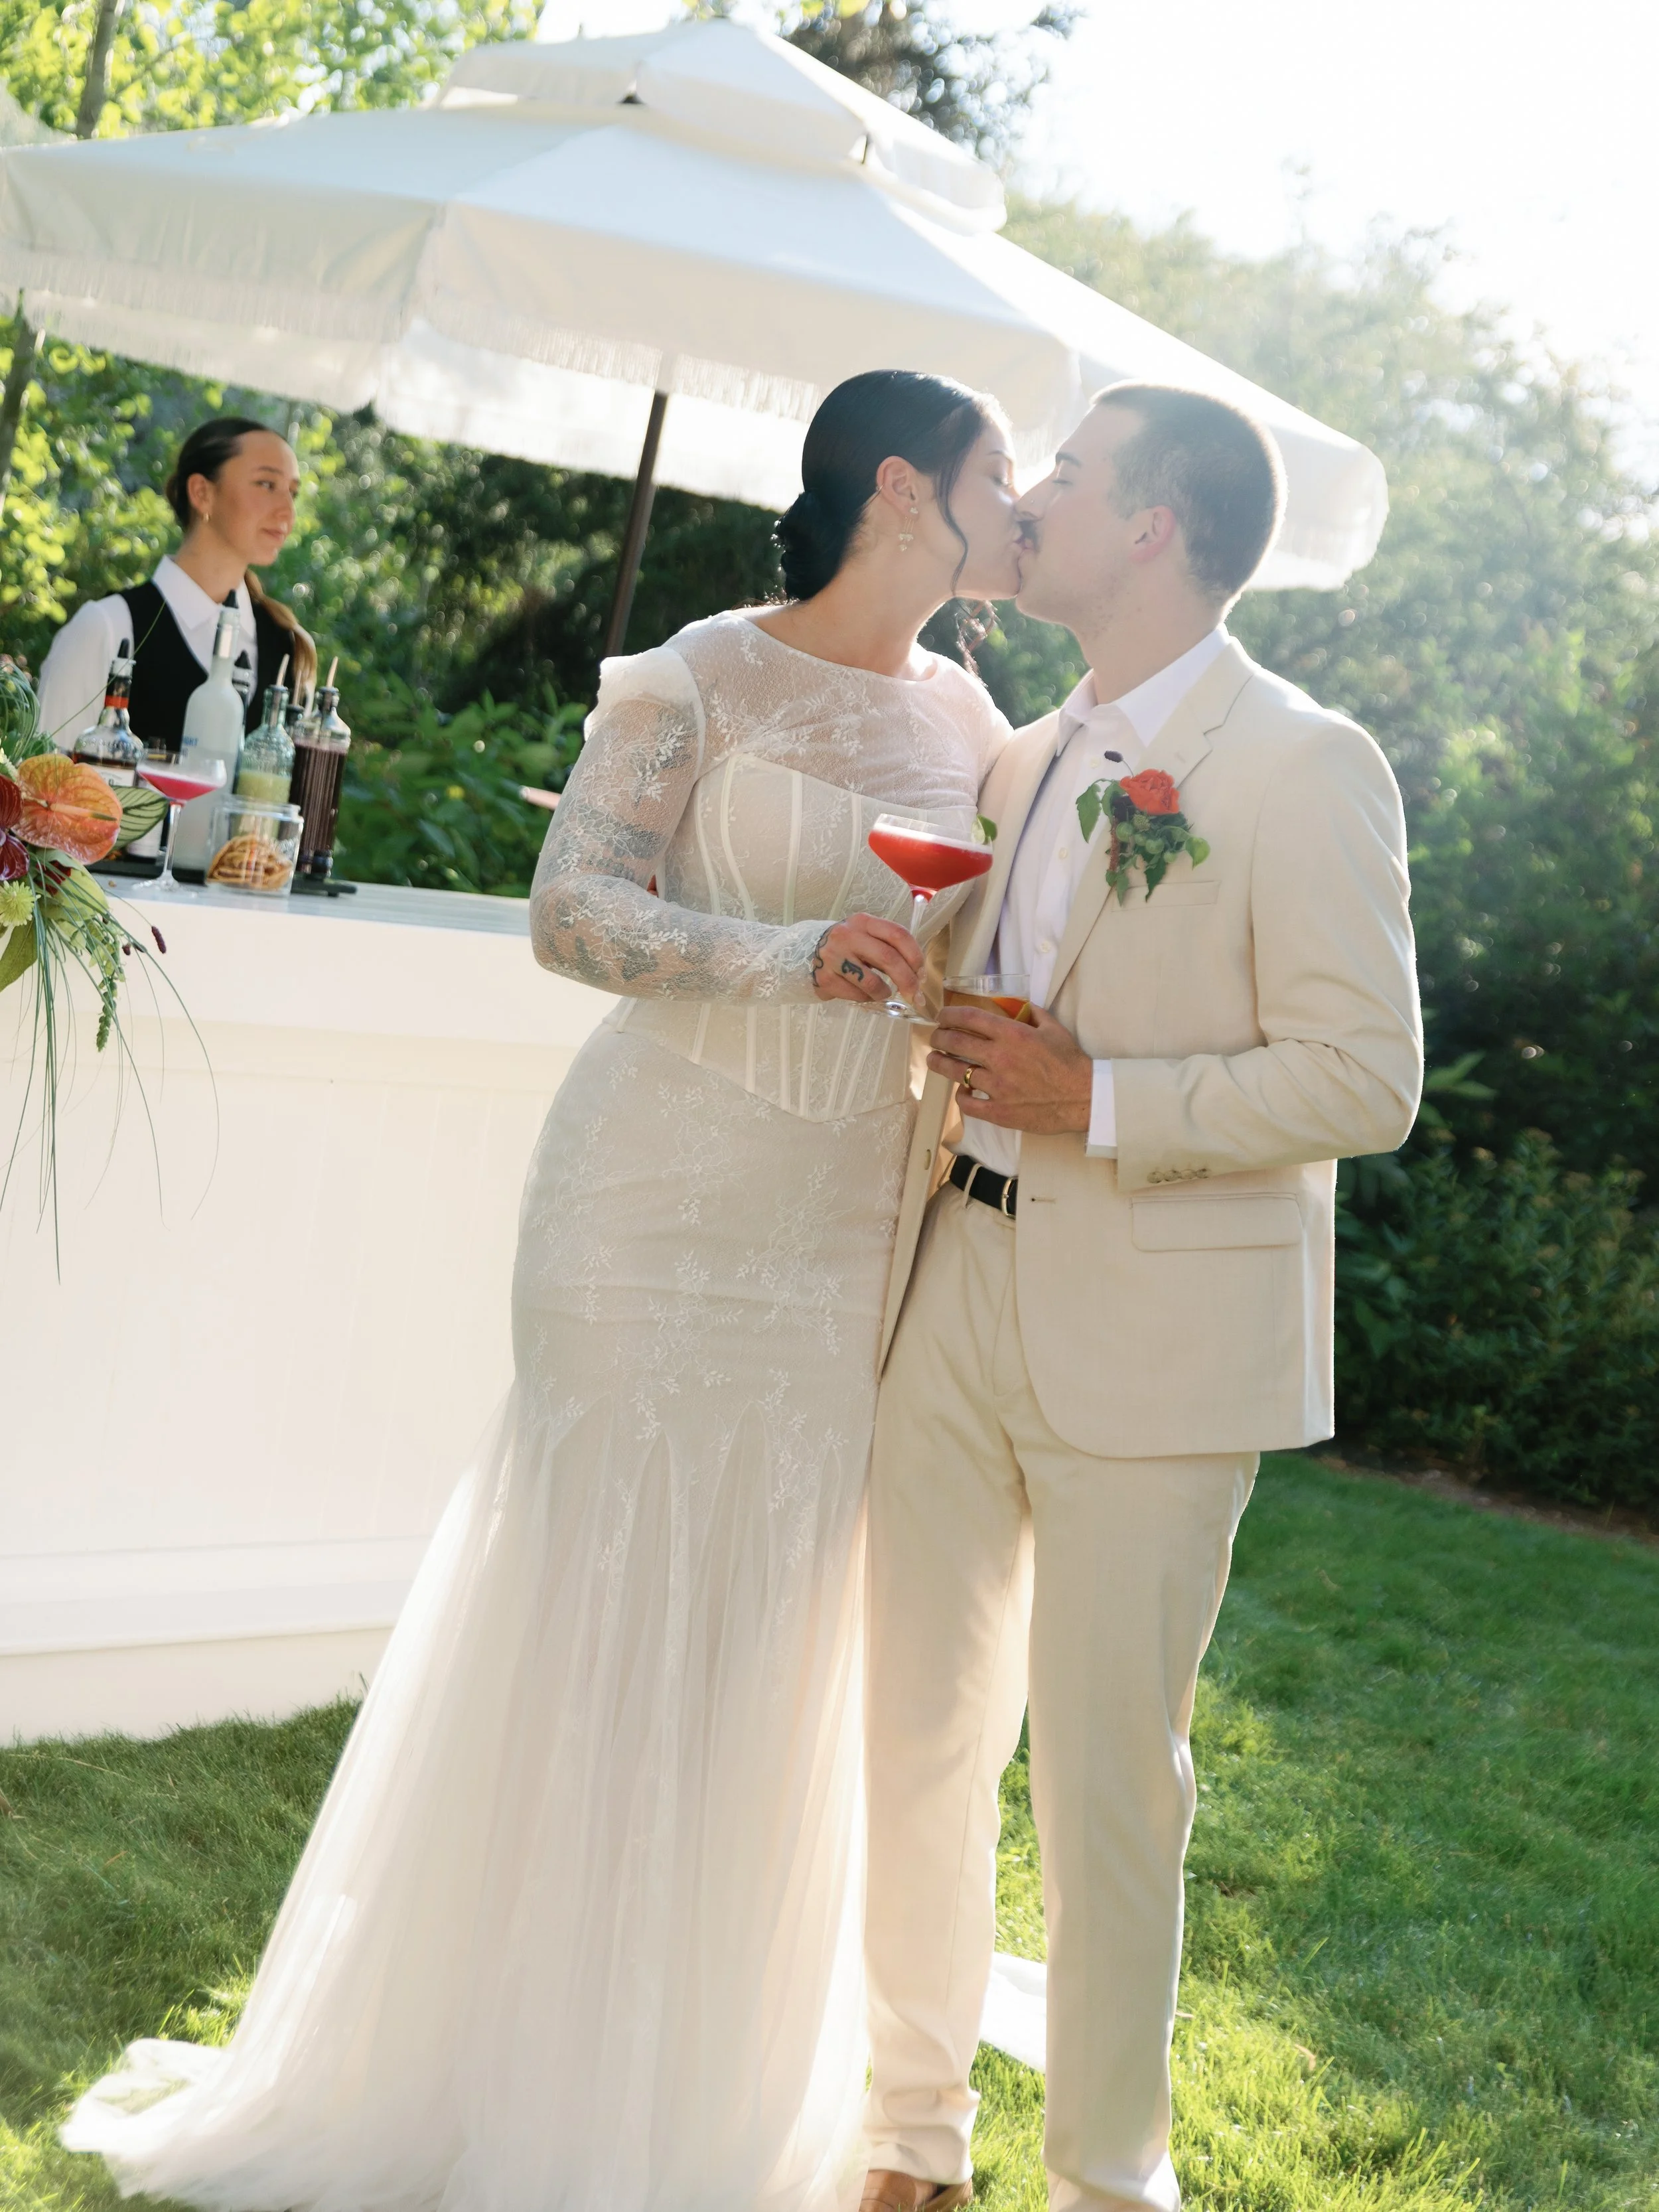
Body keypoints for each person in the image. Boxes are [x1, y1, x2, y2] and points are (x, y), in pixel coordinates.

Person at [63, 370, 1017, 2212]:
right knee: (597, 1614)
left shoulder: (976, 718)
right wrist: (786, 950)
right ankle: (510, 2077)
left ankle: (715, 2082)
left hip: (840, 1229)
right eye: (997, 475)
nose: (1023, 500)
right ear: (903, 486)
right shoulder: (695, 675)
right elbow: (570, 909)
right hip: (651, 1208)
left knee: (772, 1638)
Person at [860, 383, 1423, 2212]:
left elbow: (1364, 1078)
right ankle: (908, 2137)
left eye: (1067, 476)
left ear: (1153, 530)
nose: (1028, 497)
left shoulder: (1302, 762)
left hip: (1163, 1334)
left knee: (1108, 1783)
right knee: (915, 1731)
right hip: (954, 1272)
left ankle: (1106, 2180)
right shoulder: (1024, 756)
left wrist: (1093, 1098)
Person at [35, 417, 313, 752]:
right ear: (202, 493)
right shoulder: (105, 629)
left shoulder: (288, 648)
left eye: (293, 493)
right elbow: (43, 791)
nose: (288, 512)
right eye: (267, 485)